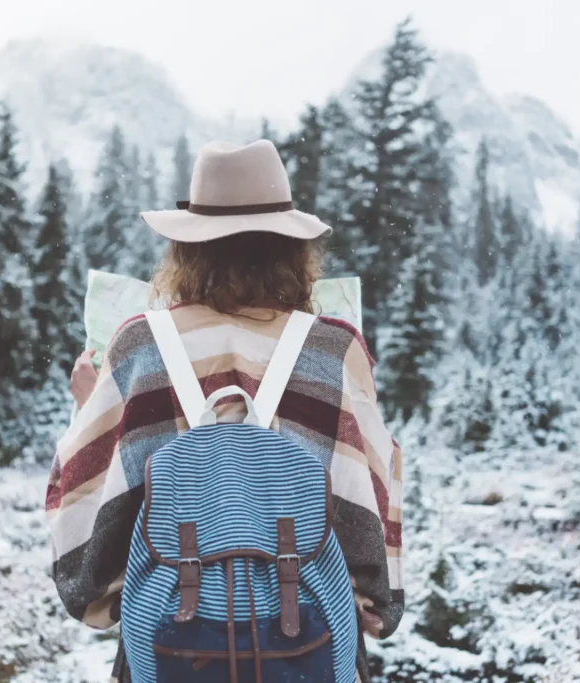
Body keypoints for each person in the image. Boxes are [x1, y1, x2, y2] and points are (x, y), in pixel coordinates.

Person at [45, 139, 403, 682]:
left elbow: (84, 548)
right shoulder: (335, 351)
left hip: (175, 648)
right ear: (291, 249)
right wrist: (373, 603)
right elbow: (372, 511)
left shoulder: (140, 347)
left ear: (187, 249)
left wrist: (85, 411)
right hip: (308, 646)